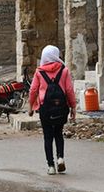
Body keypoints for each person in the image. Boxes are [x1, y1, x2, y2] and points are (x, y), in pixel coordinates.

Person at [28, 45, 76, 175]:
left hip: (45, 109)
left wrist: (31, 106)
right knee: (59, 134)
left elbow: (33, 90)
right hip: (61, 108)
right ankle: (60, 158)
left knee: (48, 137)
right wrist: (73, 107)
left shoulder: (39, 72)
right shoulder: (64, 70)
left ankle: (51, 166)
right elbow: (69, 90)